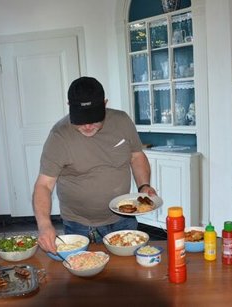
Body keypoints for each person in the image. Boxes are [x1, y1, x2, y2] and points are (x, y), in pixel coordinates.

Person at [33, 76, 156, 253]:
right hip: (80, 226)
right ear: (70, 106)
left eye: (94, 118)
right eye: (82, 119)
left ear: (105, 104)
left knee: (127, 275)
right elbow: (44, 185)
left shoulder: (122, 122)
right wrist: (44, 225)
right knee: (83, 275)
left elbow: (136, 156)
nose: (88, 125)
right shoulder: (59, 136)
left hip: (124, 219)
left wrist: (144, 186)